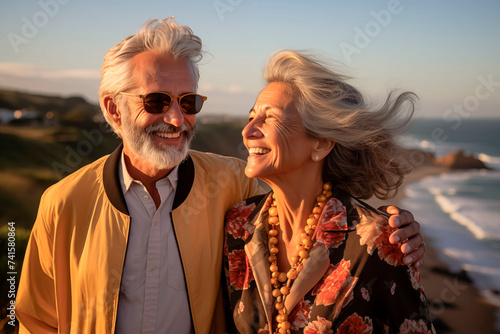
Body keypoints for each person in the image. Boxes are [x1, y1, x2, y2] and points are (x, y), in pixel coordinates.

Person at [16, 18, 424, 334]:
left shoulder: (236, 191)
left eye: (189, 102)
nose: (176, 119)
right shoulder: (63, 203)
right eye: (157, 101)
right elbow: (36, 320)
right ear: (113, 110)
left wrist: (399, 233)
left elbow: (315, 193)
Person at [224, 50, 435, 333]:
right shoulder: (238, 225)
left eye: (270, 118)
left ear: (321, 144)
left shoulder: (376, 242)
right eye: (251, 117)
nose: (248, 130)